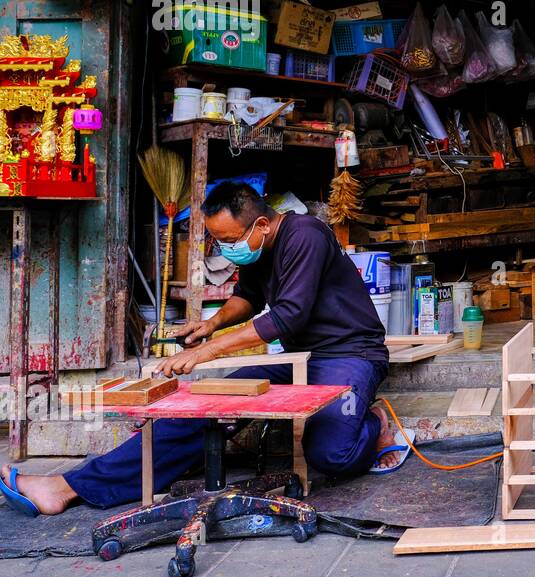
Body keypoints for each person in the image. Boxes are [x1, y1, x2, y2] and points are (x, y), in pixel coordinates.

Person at [1, 182, 405, 517]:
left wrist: (208, 352)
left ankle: (375, 425)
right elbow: (247, 297)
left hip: (350, 355)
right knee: (202, 409)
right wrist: (210, 324)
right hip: (296, 360)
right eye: (218, 241)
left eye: (229, 240)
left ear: (261, 225)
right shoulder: (258, 248)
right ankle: (69, 486)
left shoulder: (306, 235)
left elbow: (287, 318)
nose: (225, 249)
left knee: (331, 455)